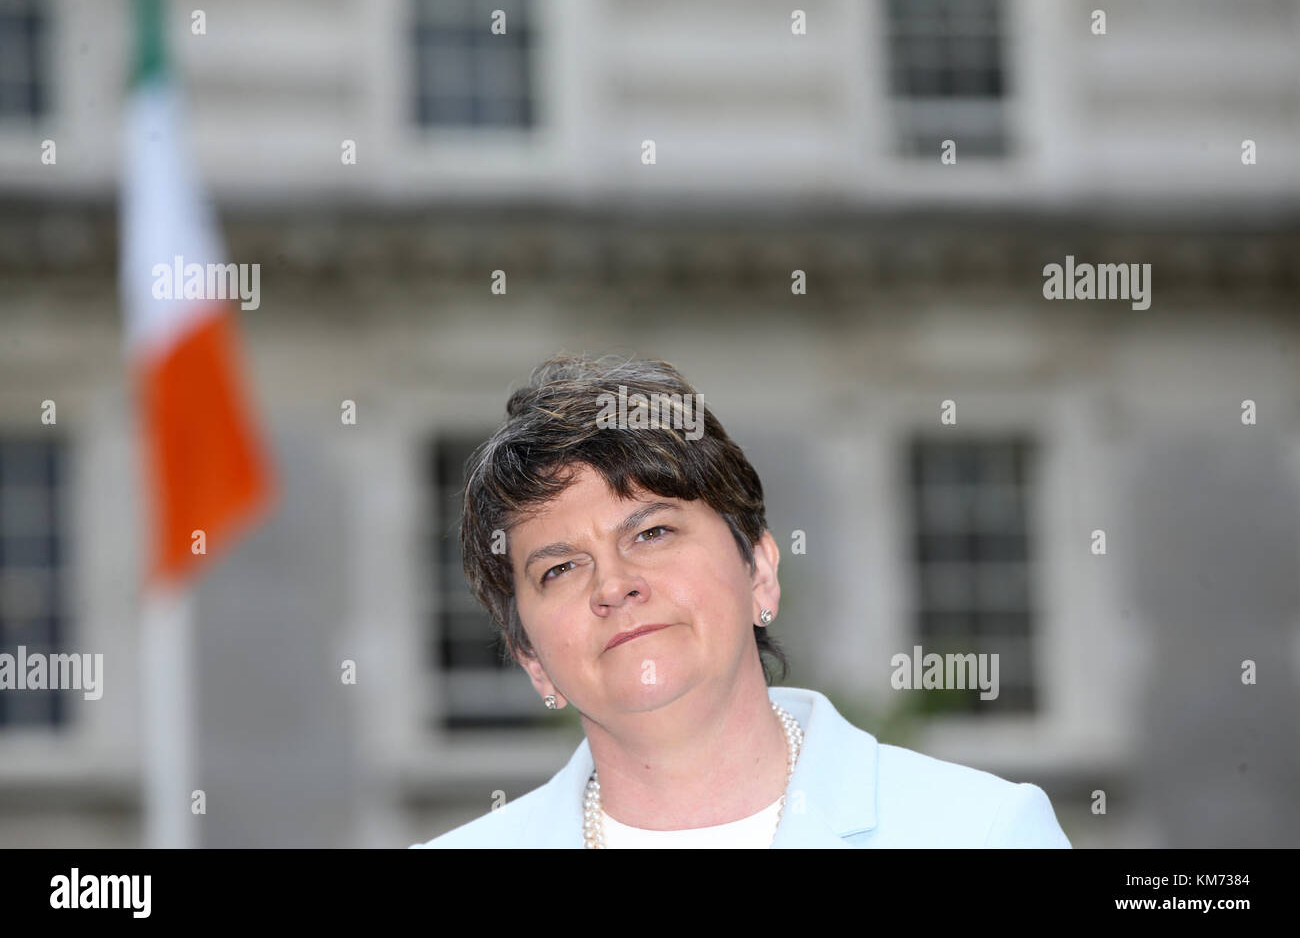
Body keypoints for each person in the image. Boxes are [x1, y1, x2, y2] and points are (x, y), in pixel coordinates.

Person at [410, 353, 1071, 848]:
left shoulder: (981, 832)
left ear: (759, 569)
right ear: (530, 657)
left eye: (652, 532)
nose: (613, 585)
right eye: (558, 569)